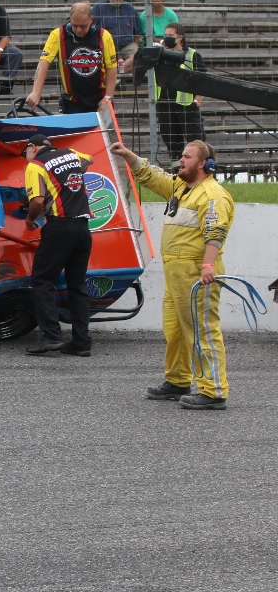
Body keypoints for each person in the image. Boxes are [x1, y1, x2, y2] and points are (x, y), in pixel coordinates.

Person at [109, 139, 234, 410]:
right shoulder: (181, 187)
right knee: (175, 331)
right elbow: (152, 176)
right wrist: (127, 154)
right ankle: (178, 381)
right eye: (182, 155)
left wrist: (208, 266)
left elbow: (215, 233)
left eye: (187, 157)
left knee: (202, 331)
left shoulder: (213, 195)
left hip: (197, 274)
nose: (181, 160)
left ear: (203, 164)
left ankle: (213, 392)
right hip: (177, 274)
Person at [21, 134, 94, 357]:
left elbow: (38, 200)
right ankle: (81, 342)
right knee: (77, 285)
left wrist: (30, 219)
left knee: (42, 279)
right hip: (82, 228)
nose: (25, 157)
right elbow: (89, 159)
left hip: (59, 227)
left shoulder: (36, 165)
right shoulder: (72, 154)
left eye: (25, 153)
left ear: (33, 147)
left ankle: (52, 335)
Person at [26, 1, 118, 114]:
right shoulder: (58, 35)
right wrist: (36, 91)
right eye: (75, 25)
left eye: (83, 26)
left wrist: (108, 98)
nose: (79, 30)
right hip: (72, 101)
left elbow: (112, 67)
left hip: (100, 100)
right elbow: (44, 62)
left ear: (91, 20)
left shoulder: (104, 36)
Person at [156, 23, 206, 161]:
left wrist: (197, 101)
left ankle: (199, 168)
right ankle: (177, 169)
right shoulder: (160, 55)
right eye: (165, 35)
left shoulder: (193, 55)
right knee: (172, 144)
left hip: (187, 105)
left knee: (196, 143)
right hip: (165, 104)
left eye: (170, 35)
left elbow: (203, 80)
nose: (167, 38)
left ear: (180, 38)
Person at [91, 0, 140, 74]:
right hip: (106, 44)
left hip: (126, 44)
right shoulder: (99, 7)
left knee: (137, 56)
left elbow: (137, 31)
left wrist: (135, 45)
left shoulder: (130, 8)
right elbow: (92, 27)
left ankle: (120, 73)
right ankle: (114, 74)